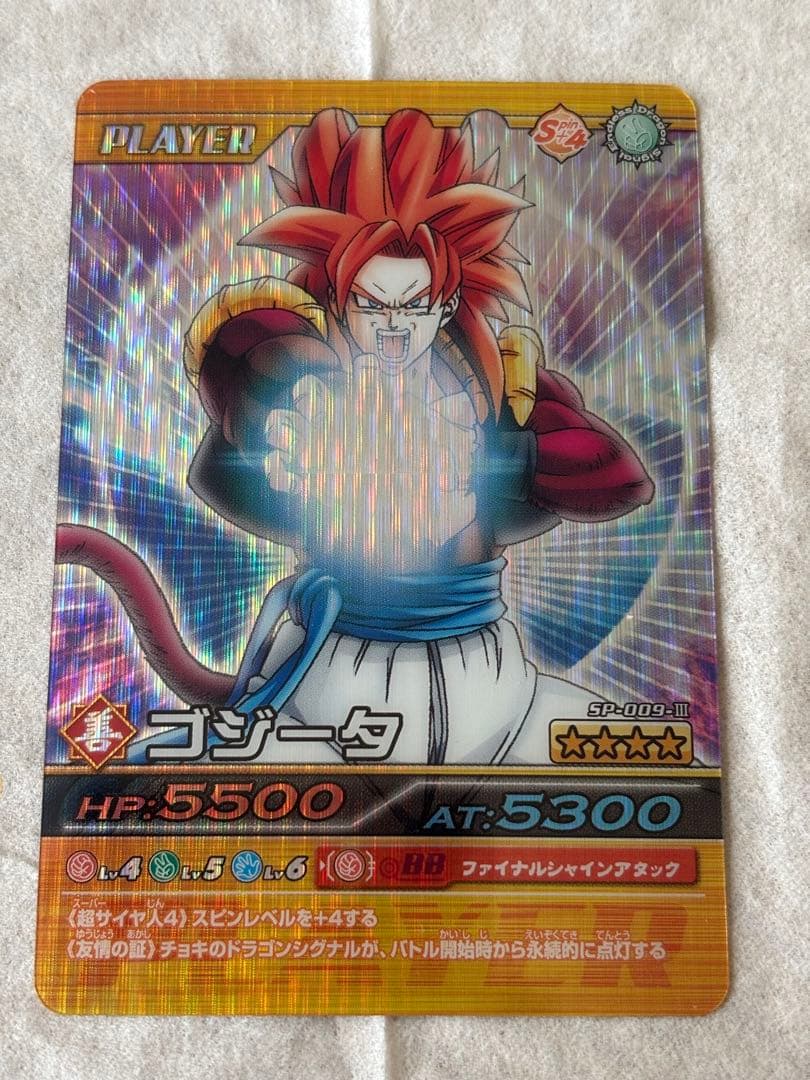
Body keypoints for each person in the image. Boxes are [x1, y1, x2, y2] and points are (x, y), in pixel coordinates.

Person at [177, 107, 654, 765]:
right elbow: (224, 433)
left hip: (487, 673)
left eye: (413, 304)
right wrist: (277, 399)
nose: (394, 326)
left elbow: (622, 480)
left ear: (445, 304)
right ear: (339, 300)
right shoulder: (306, 375)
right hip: (332, 668)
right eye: (372, 304)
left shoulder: (498, 391)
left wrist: (503, 458)